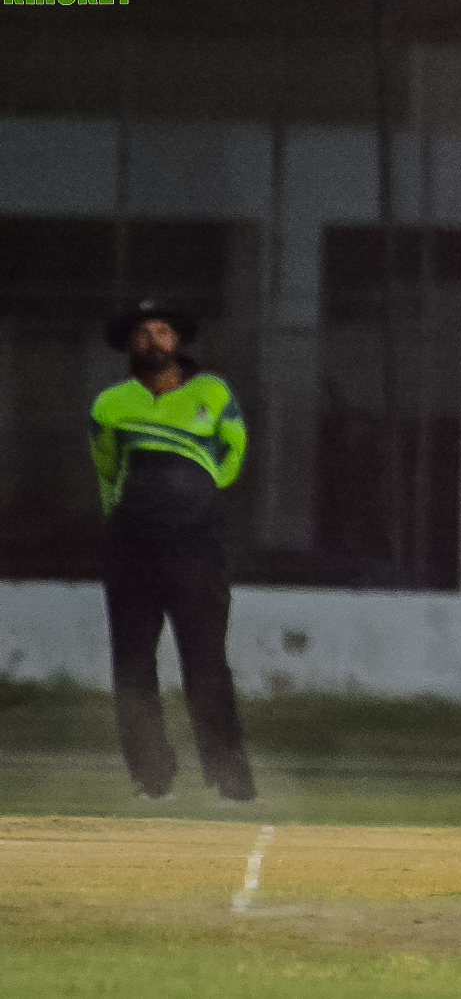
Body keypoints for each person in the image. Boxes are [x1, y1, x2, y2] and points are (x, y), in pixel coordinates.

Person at [91, 298, 257, 804]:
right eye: (142, 333)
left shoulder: (212, 392)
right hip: (133, 548)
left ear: (177, 340)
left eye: (161, 331)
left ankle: (230, 781)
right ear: (129, 346)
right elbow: (106, 470)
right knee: (132, 665)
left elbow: (234, 450)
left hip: (196, 547)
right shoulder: (110, 404)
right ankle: (152, 777)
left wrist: (201, 495)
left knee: (206, 663)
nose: (152, 341)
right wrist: (127, 519)